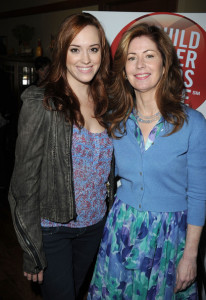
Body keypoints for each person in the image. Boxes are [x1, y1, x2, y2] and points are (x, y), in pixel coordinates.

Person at [88, 23, 206, 299]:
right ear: (125, 69)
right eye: (132, 57)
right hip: (120, 233)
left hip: (170, 238)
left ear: (165, 65)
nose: (140, 64)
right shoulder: (115, 120)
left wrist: (190, 256)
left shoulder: (193, 124)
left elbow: (200, 194)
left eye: (149, 55)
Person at [8, 12, 114, 300]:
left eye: (93, 49)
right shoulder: (41, 103)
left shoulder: (108, 101)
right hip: (54, 230)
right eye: (75, 49)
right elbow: (23, 185)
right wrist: (32, 249)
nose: (86, 59)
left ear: (102, 53)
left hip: (94, 226)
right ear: (62, 52)